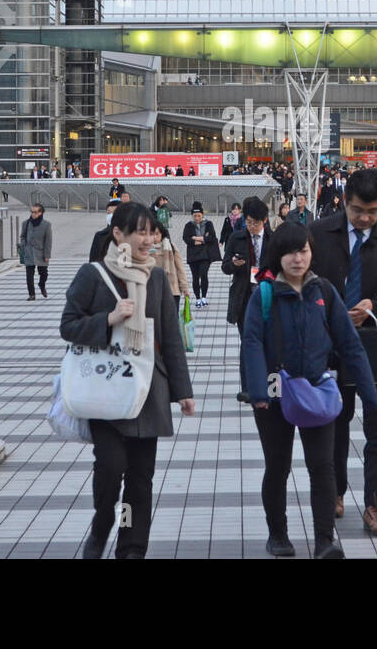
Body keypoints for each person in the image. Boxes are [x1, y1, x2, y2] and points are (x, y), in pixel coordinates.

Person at [61, 202, 195, 559]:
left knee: (140, 478)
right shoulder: (92, 275)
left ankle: (132, 548)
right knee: (111, 467)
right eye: (140, 232)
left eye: (152, 232)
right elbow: (68, 326)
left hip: (147, 390)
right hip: (105, 391)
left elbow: (170, 338)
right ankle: (103, 520)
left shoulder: (155, 278)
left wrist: (183, 392)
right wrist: (108, 318)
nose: (149, 239)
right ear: (118, 234)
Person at [244, 222, 377, 558]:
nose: (297, 258)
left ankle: (324, 540)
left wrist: (369, 391)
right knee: (277, 466)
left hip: (317, 392)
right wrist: (258, 392)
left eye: (303, 250)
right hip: (275, 395)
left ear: (311, 252)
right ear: (278, 255)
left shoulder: (325, 292)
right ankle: (278, 535)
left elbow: (349, 344)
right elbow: (251, 344)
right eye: (290, 251)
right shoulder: (263, 294)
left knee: (322, 468)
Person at [309, 168, 377, 536]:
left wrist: (376, 305)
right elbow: (302, 282)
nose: (365, 218)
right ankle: (333, 494)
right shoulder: (320, 234)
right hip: (331, 346)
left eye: (373, 212)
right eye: (358, 210)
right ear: (344, 201)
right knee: (333, 425)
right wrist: (331, 311)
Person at [222, 197, 272, 402]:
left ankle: (270, 385)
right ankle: (248, 388)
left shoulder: (273, 239)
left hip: (267, 296)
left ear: (265, 221)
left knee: (269, 342)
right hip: (244, 296)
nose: (251, 226)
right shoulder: (237, 238)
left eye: (255, 223)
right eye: (248, 221)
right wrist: (234, 264)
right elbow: (225, 266)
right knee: (247, 341)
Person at [182, 201, 220, 309]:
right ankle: (198, 298)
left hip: (205, 254)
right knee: (195, 277)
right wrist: (198, 239)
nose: (197, 218)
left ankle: (204, 297)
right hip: (193, 255)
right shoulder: (188, 225)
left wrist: (196, 238)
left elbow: (212, 237)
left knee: (204, 274)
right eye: (195, 216)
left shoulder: (208, 224)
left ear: (202, 215)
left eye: (199, 215)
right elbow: (186, 238)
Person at [151, 220, 191, 314]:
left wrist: (185, 289)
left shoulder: (171, 247)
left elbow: (180, 269)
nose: (154, 237)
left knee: (171, 323)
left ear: (162, 233)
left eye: (157, 234)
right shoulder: (144, 250)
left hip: (172, 291)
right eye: (151, 234)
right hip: (153, 292)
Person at [20, 202, 52, 301]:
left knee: (44, 274)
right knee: (29, 275)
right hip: (29, 252)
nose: (33, 214)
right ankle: (32, 294)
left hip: (41, 253)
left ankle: (41, 285)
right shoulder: (26, 223)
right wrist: (24, 246)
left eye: (35, 212)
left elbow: (48, 241)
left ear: (41, 213)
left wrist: (47, 255)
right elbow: (22, 236)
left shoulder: (46, 225)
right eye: (32, 212)